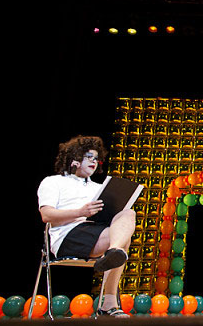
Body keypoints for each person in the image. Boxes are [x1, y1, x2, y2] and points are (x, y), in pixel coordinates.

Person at [37, 135, 136, 318]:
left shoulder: (97, 188)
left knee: (128, 214)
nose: (94, 161)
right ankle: (109, 302)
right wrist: (81, 212)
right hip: (68, 235)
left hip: (96, 231)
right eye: (89, 157)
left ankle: (113, 252)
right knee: (124, 242)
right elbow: (47, 215)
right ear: (74, 159)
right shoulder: (53, 182)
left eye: (96, 158)